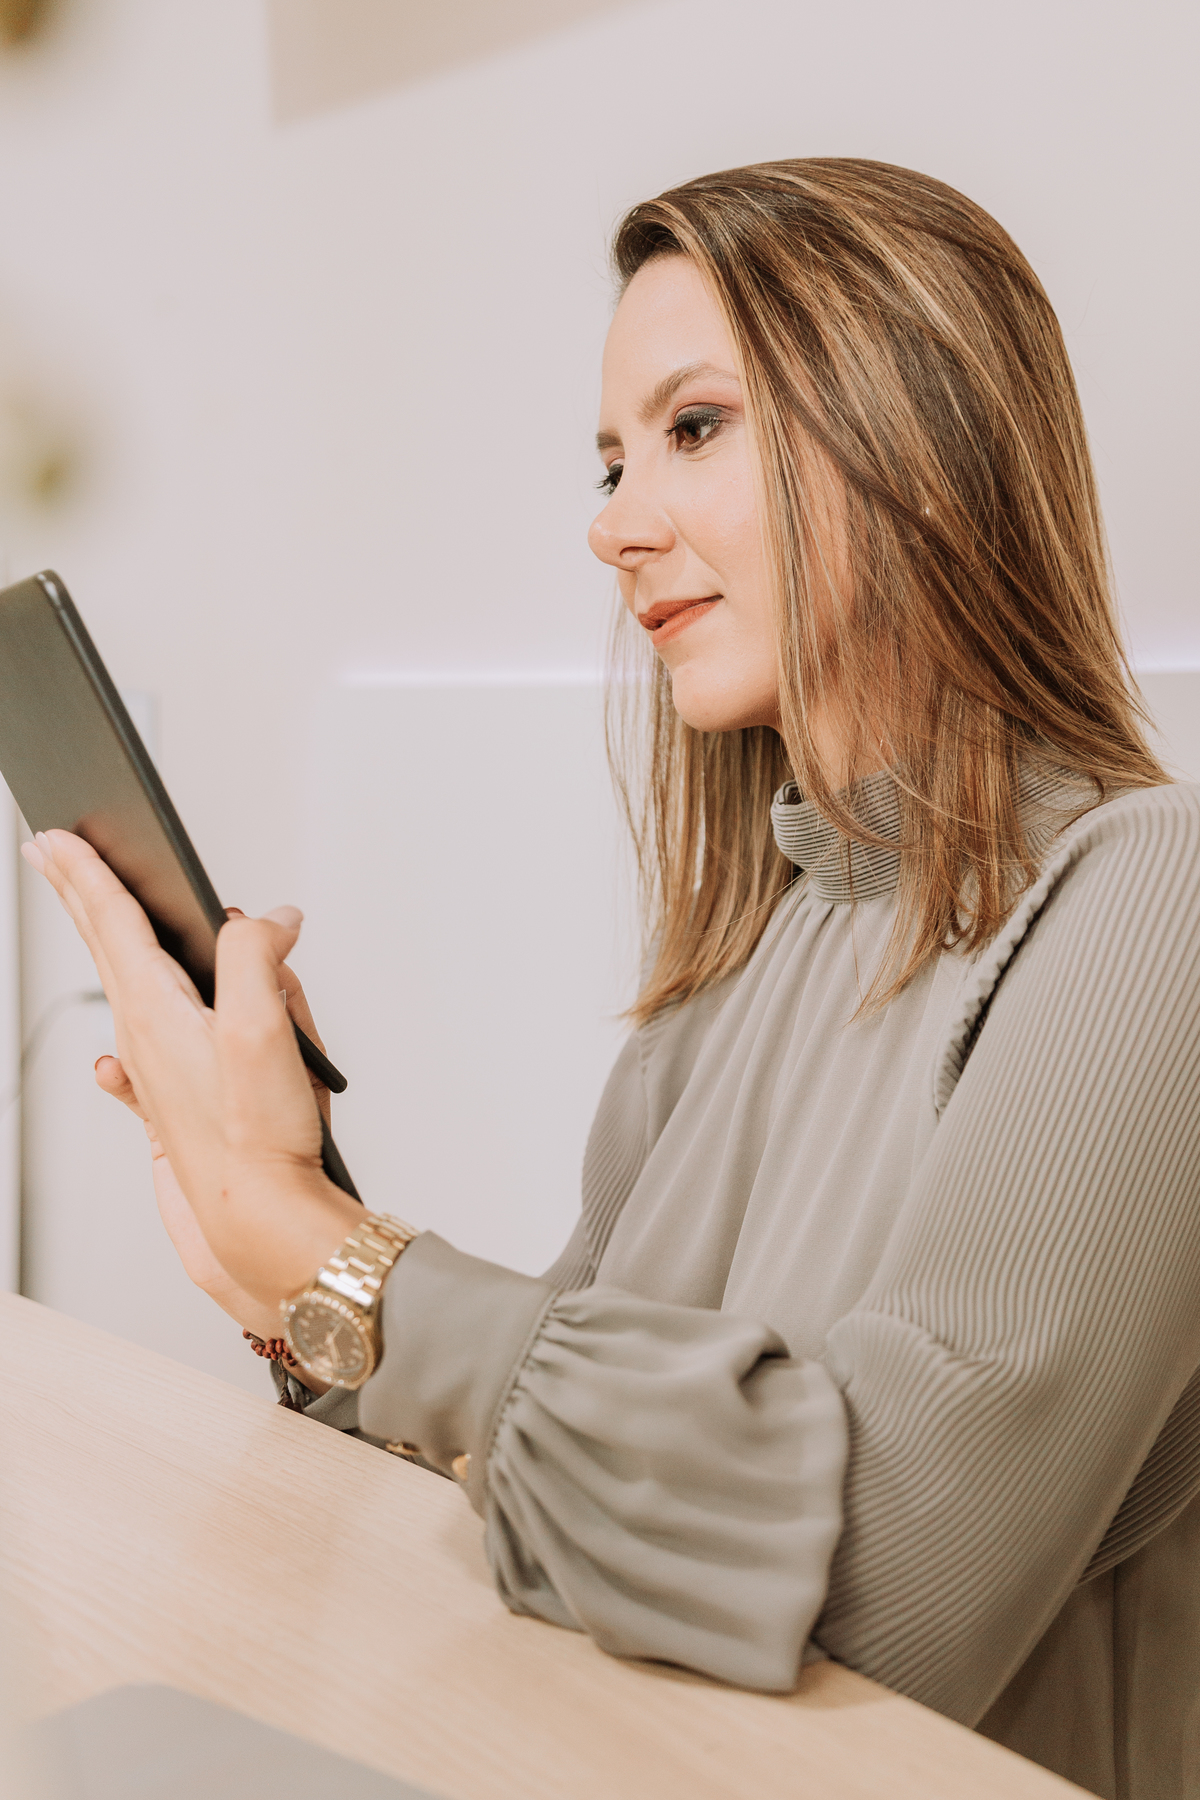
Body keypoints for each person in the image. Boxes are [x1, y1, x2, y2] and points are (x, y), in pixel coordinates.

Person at [25, 159, 1200, 1799]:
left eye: (695, 427)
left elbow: (882, 1589)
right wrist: (277, 1240)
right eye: (608, 458)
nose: (611, 522)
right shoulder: (730, 978)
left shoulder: (1151, 901)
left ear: (920, 438)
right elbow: (559, 1461)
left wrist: (341, 1257)